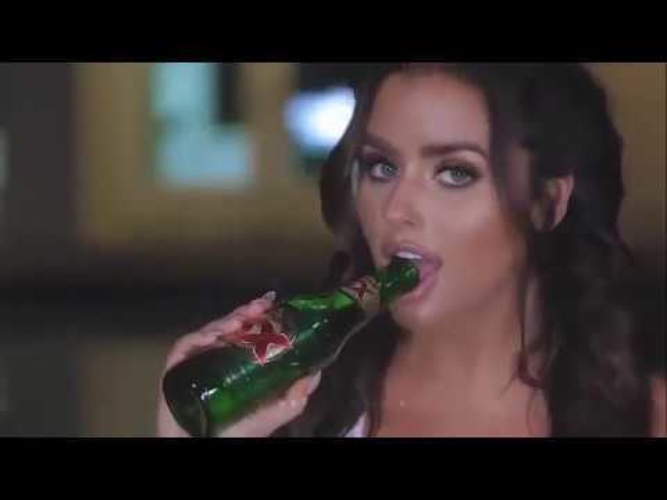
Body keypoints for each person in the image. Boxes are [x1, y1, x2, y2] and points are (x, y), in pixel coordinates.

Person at [157, 63, 666, 437]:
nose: (396, 209)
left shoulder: (645, 420)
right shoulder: (301, 406)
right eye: (382, 167)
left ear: (547, 203)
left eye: (455, 173)